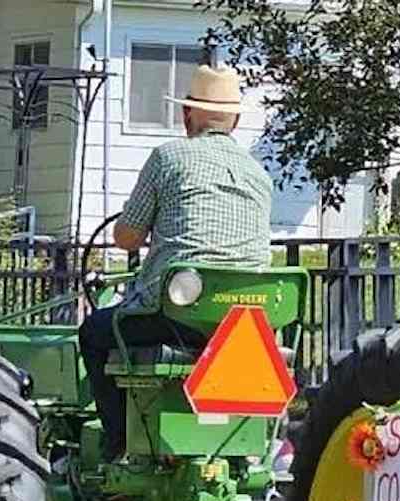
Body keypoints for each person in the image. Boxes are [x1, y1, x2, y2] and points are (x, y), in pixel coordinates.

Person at [78, 63, 273, 462]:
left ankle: (119, 448)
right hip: (242, 321)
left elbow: (126, 236)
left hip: (175, 313)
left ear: (187, 114)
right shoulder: (259, 174)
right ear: (234, 120)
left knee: (95, 332)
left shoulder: (168, 158)